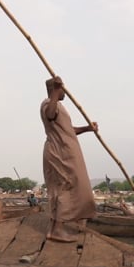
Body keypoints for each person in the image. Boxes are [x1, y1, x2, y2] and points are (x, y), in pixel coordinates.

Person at [41, 76, 97, 242]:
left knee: (62, 187)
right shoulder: (49, 104)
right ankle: (58, 230)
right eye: (62, 88)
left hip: (64, 152)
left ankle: (53, 229)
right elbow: (50, 115)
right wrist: (55, 93)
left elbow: (68, 129)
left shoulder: (58, 106)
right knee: (67, 186)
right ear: (56, 89)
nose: (65, 91)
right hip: (60, 153)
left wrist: (87, 129)